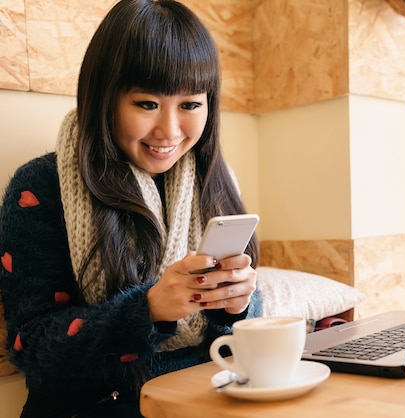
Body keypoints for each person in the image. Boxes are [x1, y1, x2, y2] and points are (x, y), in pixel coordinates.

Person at [0, 0, 261, 416]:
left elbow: (235, 331)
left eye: (190, 104)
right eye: (147, 104)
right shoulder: (40, 187)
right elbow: (29, 344)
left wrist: (238, 303)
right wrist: (149, 309)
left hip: (202, 396)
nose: (170, 131)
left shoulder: (212, 179)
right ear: (105, 97)